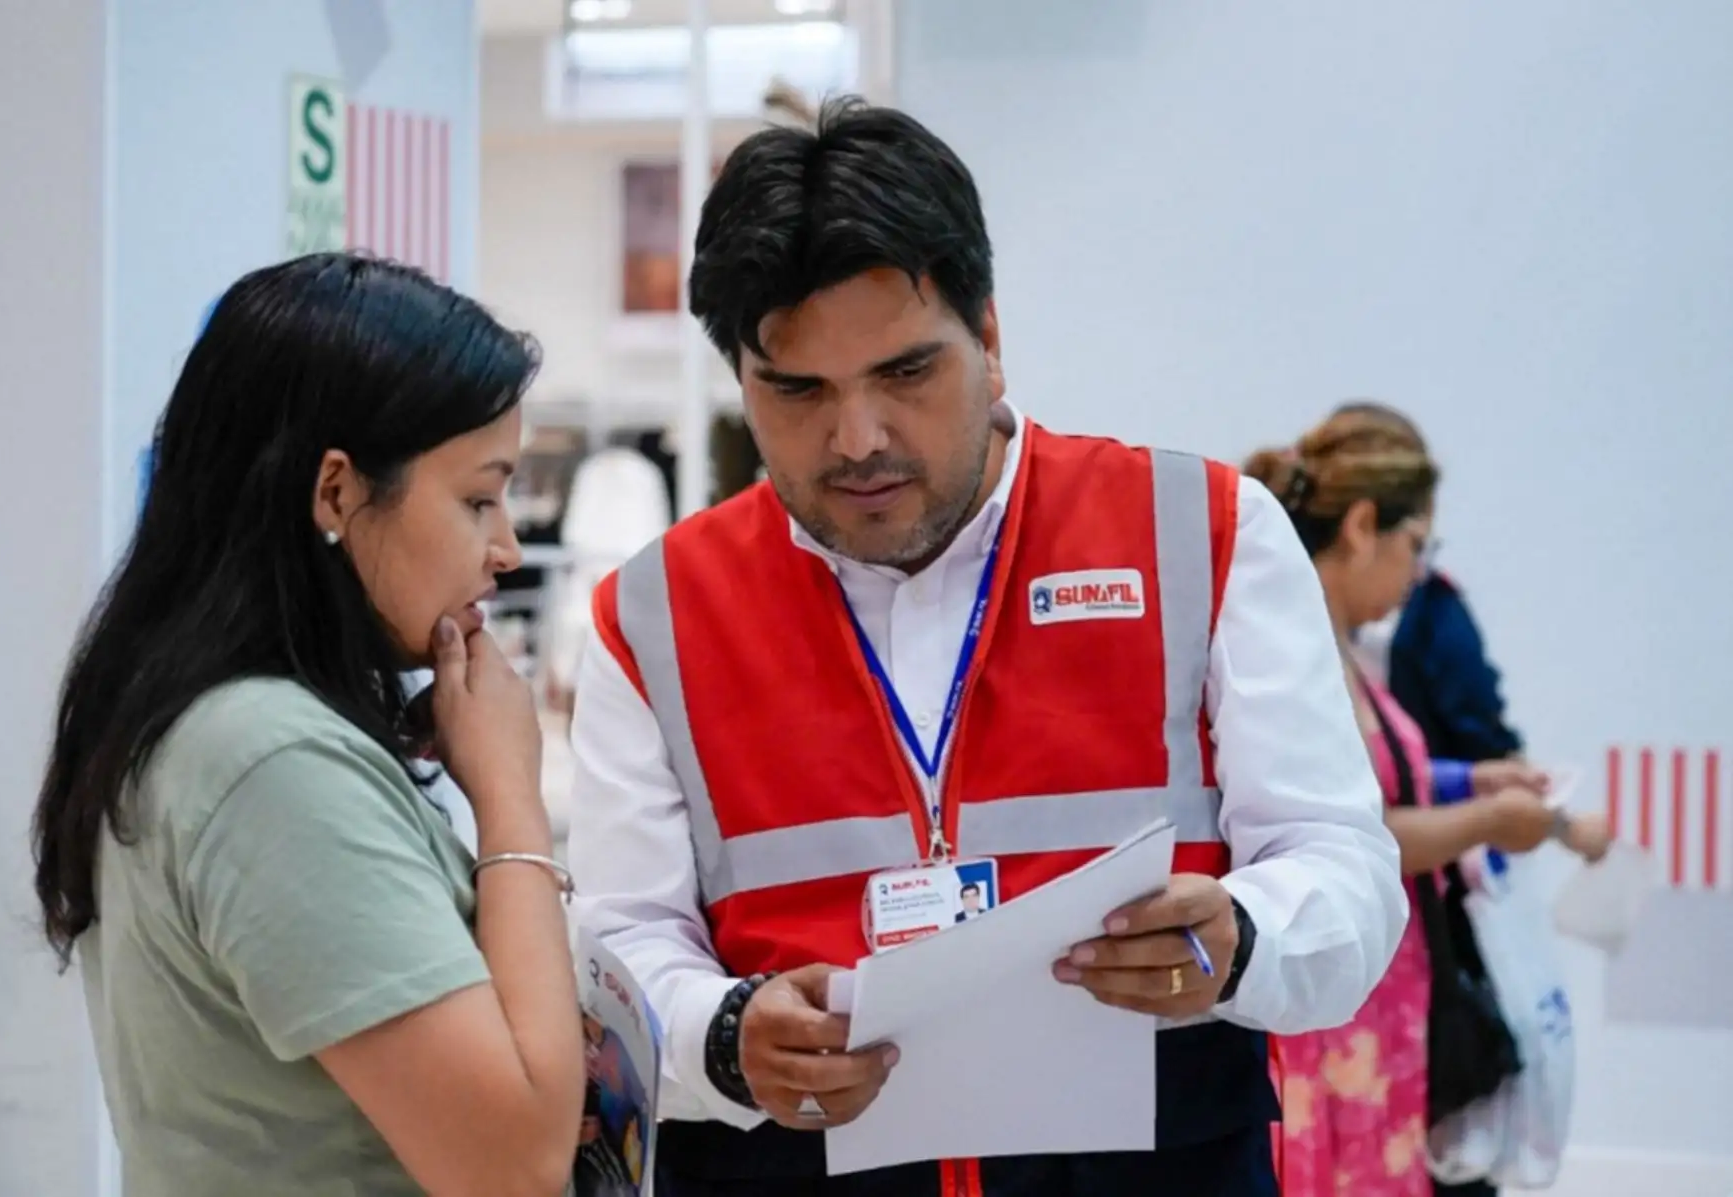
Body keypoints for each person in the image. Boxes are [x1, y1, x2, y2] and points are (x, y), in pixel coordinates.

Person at [566, 98, 1408, 1196]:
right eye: (799, 392)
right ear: (741, 383)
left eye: (906, 374)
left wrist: (1244, 937)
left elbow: (1347, 877)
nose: (858, 438)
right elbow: (621, 950)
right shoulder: (656, 615)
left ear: (992, 341)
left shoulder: (1200, 535)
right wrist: (722, 1036)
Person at [31, 254, 584, 1197]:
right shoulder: (270, 760)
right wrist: (510, 803)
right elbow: (516, 1163)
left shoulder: (224, 722)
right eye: (477, 499)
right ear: (336, 492)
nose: (505, 549)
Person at [1244, 408, 1608, 1197]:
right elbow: (1352, 829)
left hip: (1379, 1001)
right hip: (1343, 1012)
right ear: (1364, 524)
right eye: (1416, 546)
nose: (1417, 575)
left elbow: (1375, 782)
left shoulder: (1335, 646)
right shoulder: (1297, 653)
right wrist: (1487, 819)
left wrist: (1468, 783)